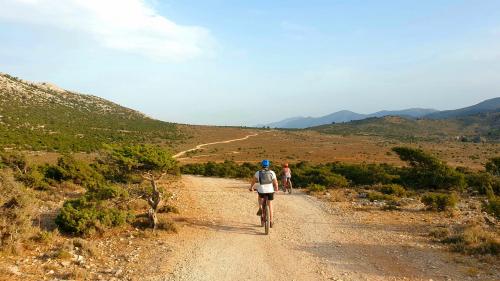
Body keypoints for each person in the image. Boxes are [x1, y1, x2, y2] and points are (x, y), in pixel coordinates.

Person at [249, 159, 279, 227]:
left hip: (262, 191)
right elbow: (275, 182)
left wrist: (251, 188)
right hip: (270, 191)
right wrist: (276, 188)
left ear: (262, 165)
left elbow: (253, 181)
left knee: (260, 197)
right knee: (270, 205)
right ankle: (271, 221)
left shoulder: (258, 172)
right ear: (268, 165)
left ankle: (260, 207)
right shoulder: (272, 172)